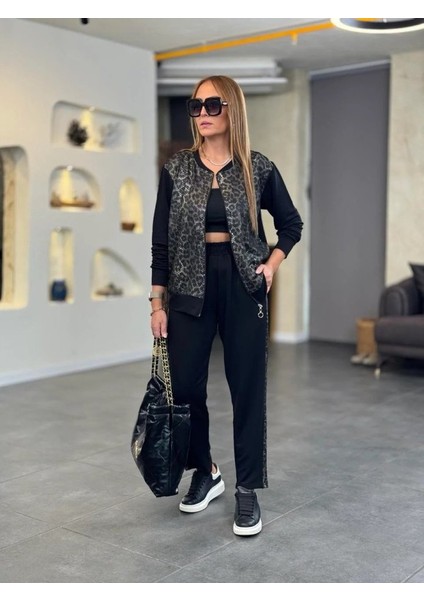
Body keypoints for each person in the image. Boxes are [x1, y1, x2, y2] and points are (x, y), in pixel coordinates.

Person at [150, 75, 303, 536]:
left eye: (212, 105)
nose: (202, 113)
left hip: (242, 284)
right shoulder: (177, 169)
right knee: (185, 388)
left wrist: (272, 264)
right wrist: (156, 302)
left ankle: (247, 488)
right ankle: (206, 470)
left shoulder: (257, 168)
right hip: (187, 286)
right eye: (196, 106)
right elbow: (160, 244)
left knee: (247, 388)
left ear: (231, 109)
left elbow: (291, 225)